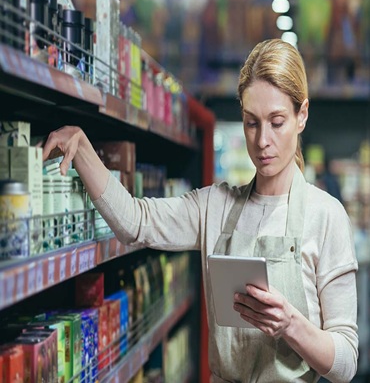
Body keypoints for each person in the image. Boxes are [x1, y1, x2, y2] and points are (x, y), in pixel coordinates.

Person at [41, 39, 358, 383]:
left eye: (277, 121)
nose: (263, 140)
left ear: (302, 116)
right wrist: (83, 149)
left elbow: (345, 363)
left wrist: (290, 324)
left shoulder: (326, 216)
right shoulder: (215, 206)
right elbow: (135, 222)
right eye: (252, 123)